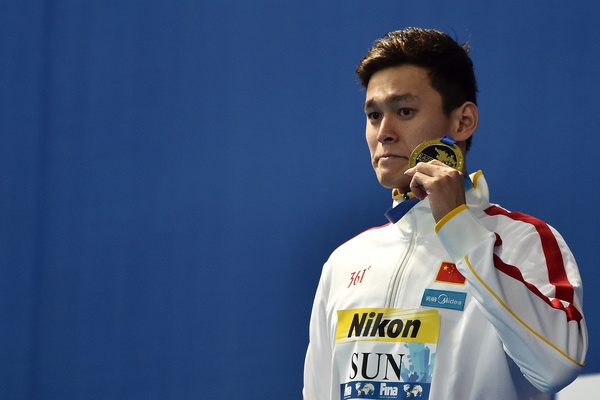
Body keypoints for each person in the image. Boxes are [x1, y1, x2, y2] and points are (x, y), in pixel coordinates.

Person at [303, 27, 587, 400]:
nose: (384, 132)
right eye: (374, 115)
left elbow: (556, 366)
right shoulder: (345, 261)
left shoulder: (524, 240)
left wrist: (458, 227)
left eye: (404, 111)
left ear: (463, 122)